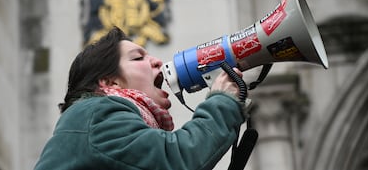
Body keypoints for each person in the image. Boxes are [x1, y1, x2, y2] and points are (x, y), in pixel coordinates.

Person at [34, 27, 247, 170]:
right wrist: (222, 102)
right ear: (110, 83)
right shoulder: (97, 115)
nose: (156, 61)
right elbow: (177, 158)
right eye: (138, 58)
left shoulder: (93, 119)